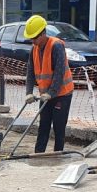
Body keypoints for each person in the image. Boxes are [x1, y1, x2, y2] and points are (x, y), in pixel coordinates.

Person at [23, 14, 74, 153]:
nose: (32, 41)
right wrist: (29, 93)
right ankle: (38, 155)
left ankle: (58, 155)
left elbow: (59, 72)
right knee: (43, 125)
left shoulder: (56, 46)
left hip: (62, 94)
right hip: (46, 95)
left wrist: (51, 93)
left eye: (35, 37)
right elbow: (30, 72)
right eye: (31, 38)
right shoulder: (34, 49)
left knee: (59, 127)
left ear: (43, 33)